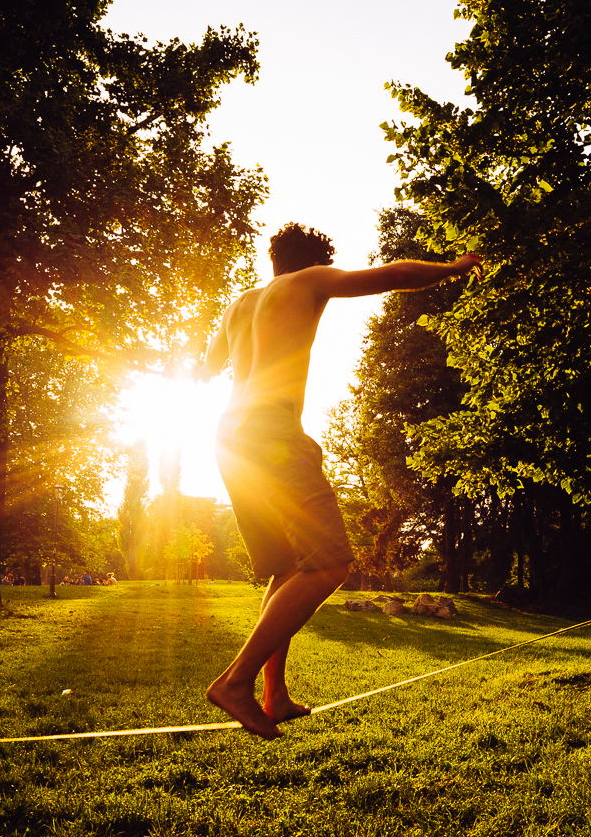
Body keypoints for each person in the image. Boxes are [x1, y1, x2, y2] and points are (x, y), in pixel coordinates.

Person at [197, 222, 480, 738]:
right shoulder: (308, 281)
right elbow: (393, 276)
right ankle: (235, 682)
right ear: (313, 261)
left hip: (228, 437)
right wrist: (456, 268)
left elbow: (206, 367)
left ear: (273, 257)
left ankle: (274, 694)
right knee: (330, 563)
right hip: (269, 429)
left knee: (286, 568)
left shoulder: (240, 304)